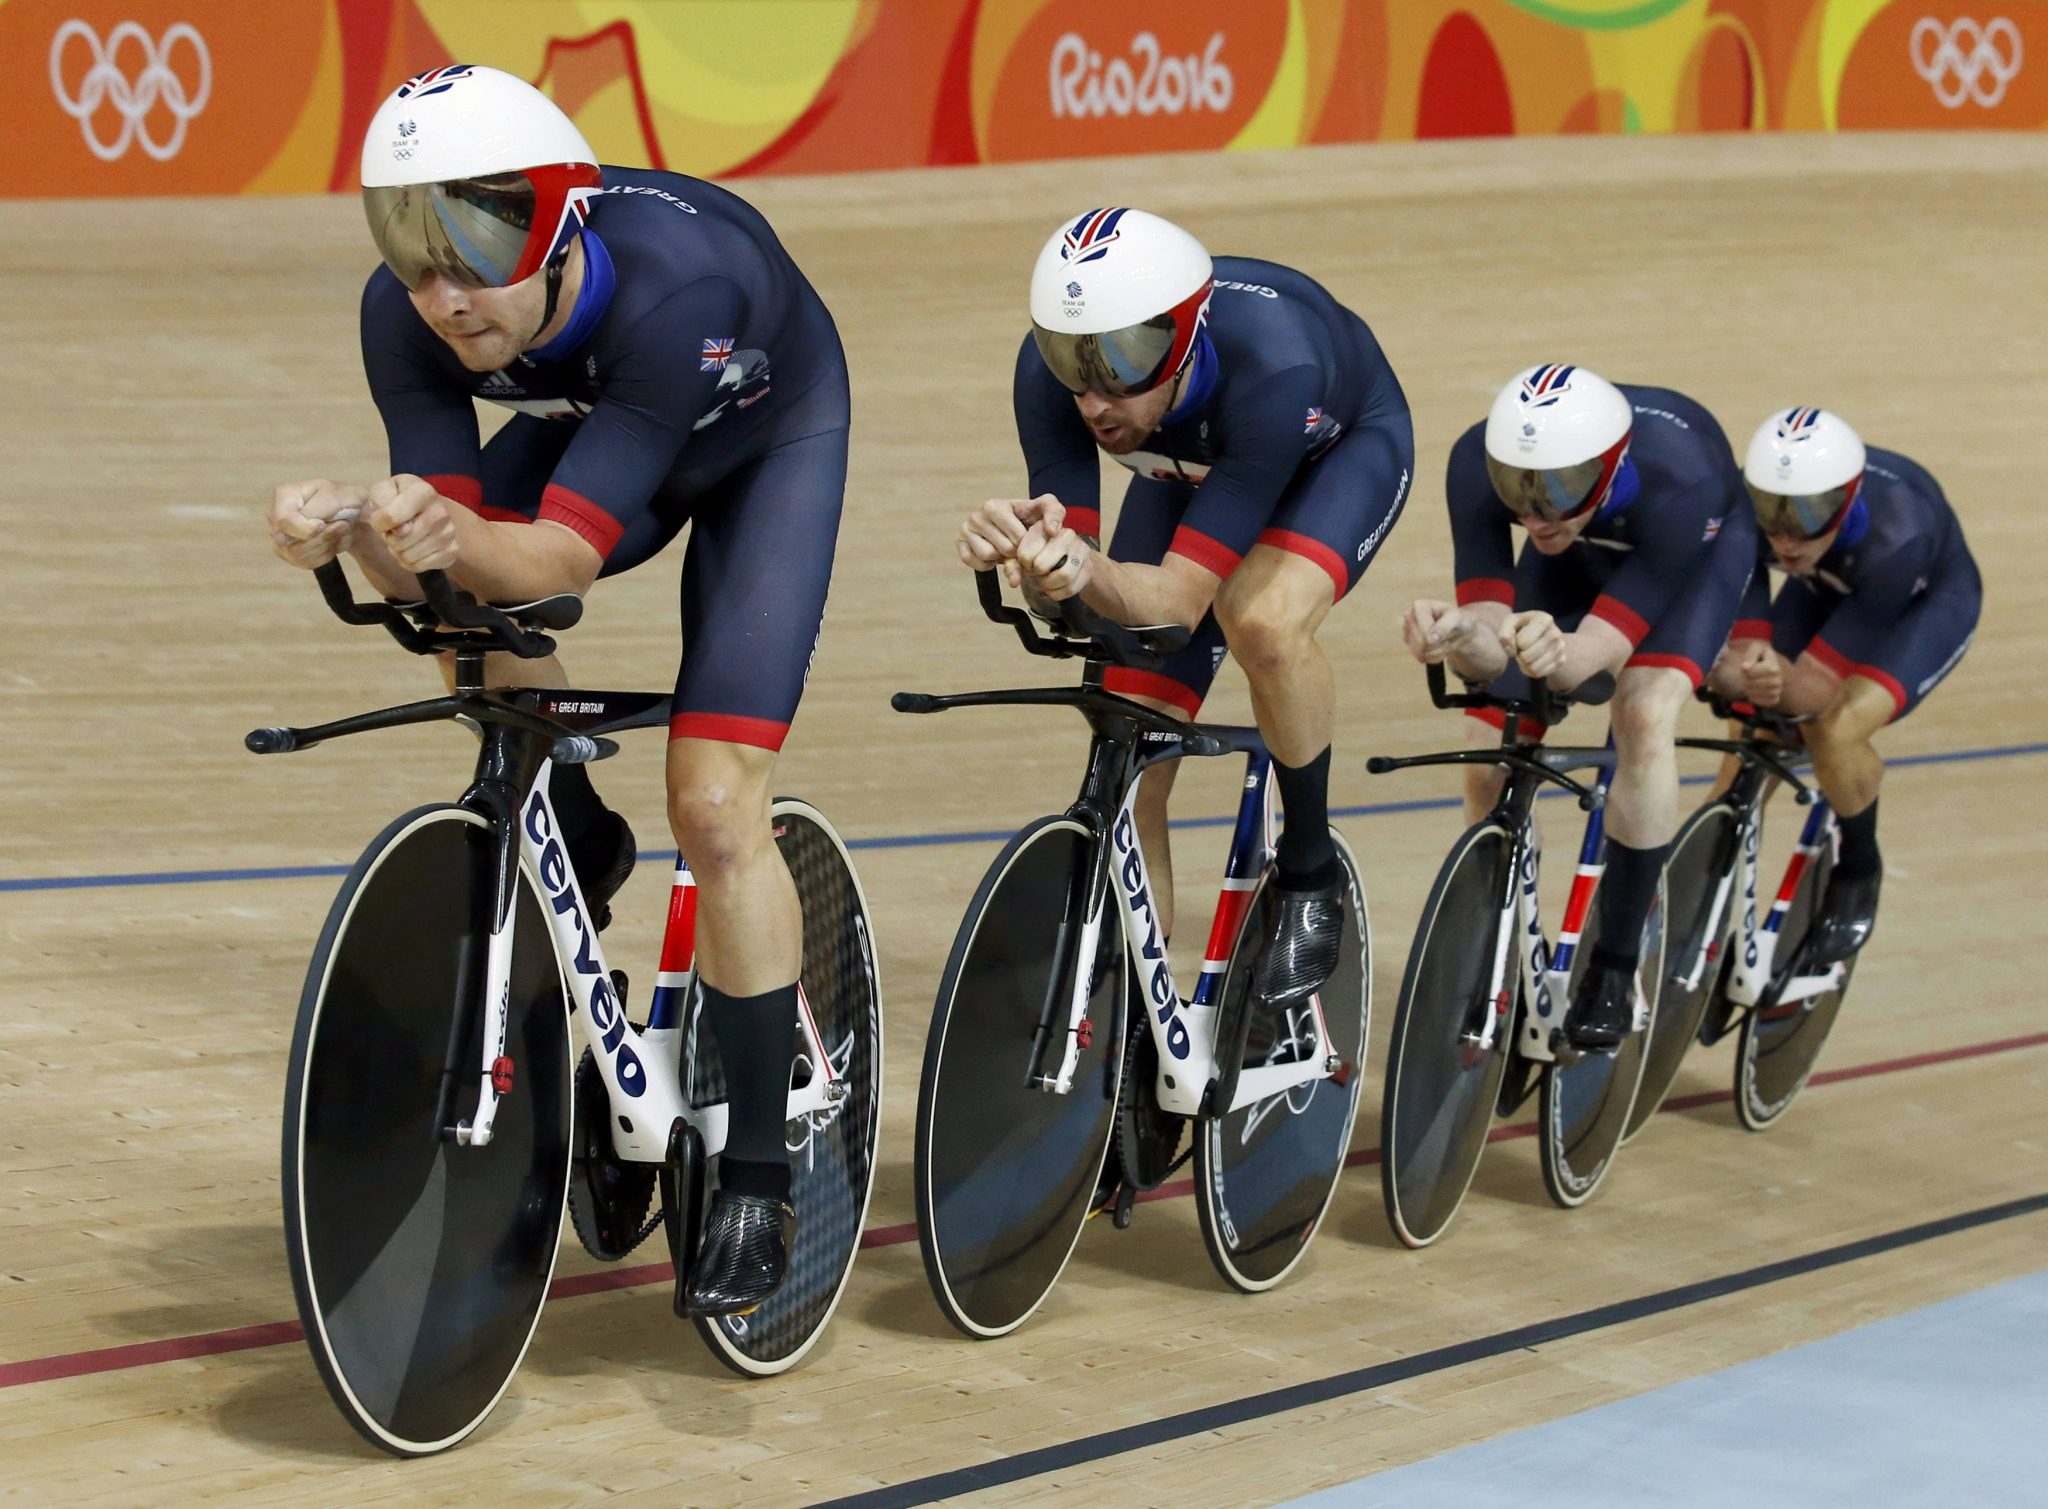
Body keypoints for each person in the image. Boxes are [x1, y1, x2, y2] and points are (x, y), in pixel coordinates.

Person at [262, 64, 849, 1317]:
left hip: (759, 443)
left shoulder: (685, 281)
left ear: (564, 222)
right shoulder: (405, 314)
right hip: (610, 414)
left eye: (475, 248)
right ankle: (579, 822)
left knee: (714, 804)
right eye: (409, 253)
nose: (442, 293)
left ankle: (756, 1174)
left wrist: (394, 527)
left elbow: (556, 561)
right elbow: (452, 561)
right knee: (455, 601)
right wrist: (362, 527)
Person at [959, 207, 1413, 1014]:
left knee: (1261, 620)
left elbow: (1172, 599)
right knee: (1127, 736)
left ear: (1188, 333)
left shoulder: (1276, 368)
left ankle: (1311, 873)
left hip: (1328, 453)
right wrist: (1035, 562)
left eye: (1126, 359)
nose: (1094, 400)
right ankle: (1140, 1026)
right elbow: (1082, 579)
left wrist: (1087, 570)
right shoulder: (1051, 384)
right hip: (1186, 468)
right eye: (1072, 359)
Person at [1401, 365, 1755, 1052]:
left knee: (1643, 715)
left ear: (1610, 466)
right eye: (1520, 491)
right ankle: (1496, 949)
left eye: (1558, 490)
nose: (1535, 514)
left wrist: (1547, 651)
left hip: (1688, 560)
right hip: (1573, 559)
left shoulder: (1683, 480)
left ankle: (1615, 966)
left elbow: (1588, 658)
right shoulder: (1480, 463)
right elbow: (1488, 636)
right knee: (1489, 746)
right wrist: (1458, 634)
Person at [1710, 407, 1979, 962]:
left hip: (1920, 607)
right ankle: (1703, 879)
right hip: (1824, 583)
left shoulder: (1899, 531)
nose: (1786, 537)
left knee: (1831, 728)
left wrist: (1741, 678)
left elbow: (1811, 691)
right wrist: (1743, 663)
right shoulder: (1761, 513)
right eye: (1773, 515)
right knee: (1746, 738)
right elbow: (1739, 585)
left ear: (1848, 498)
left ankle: (1859, 869)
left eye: (1808, 517)